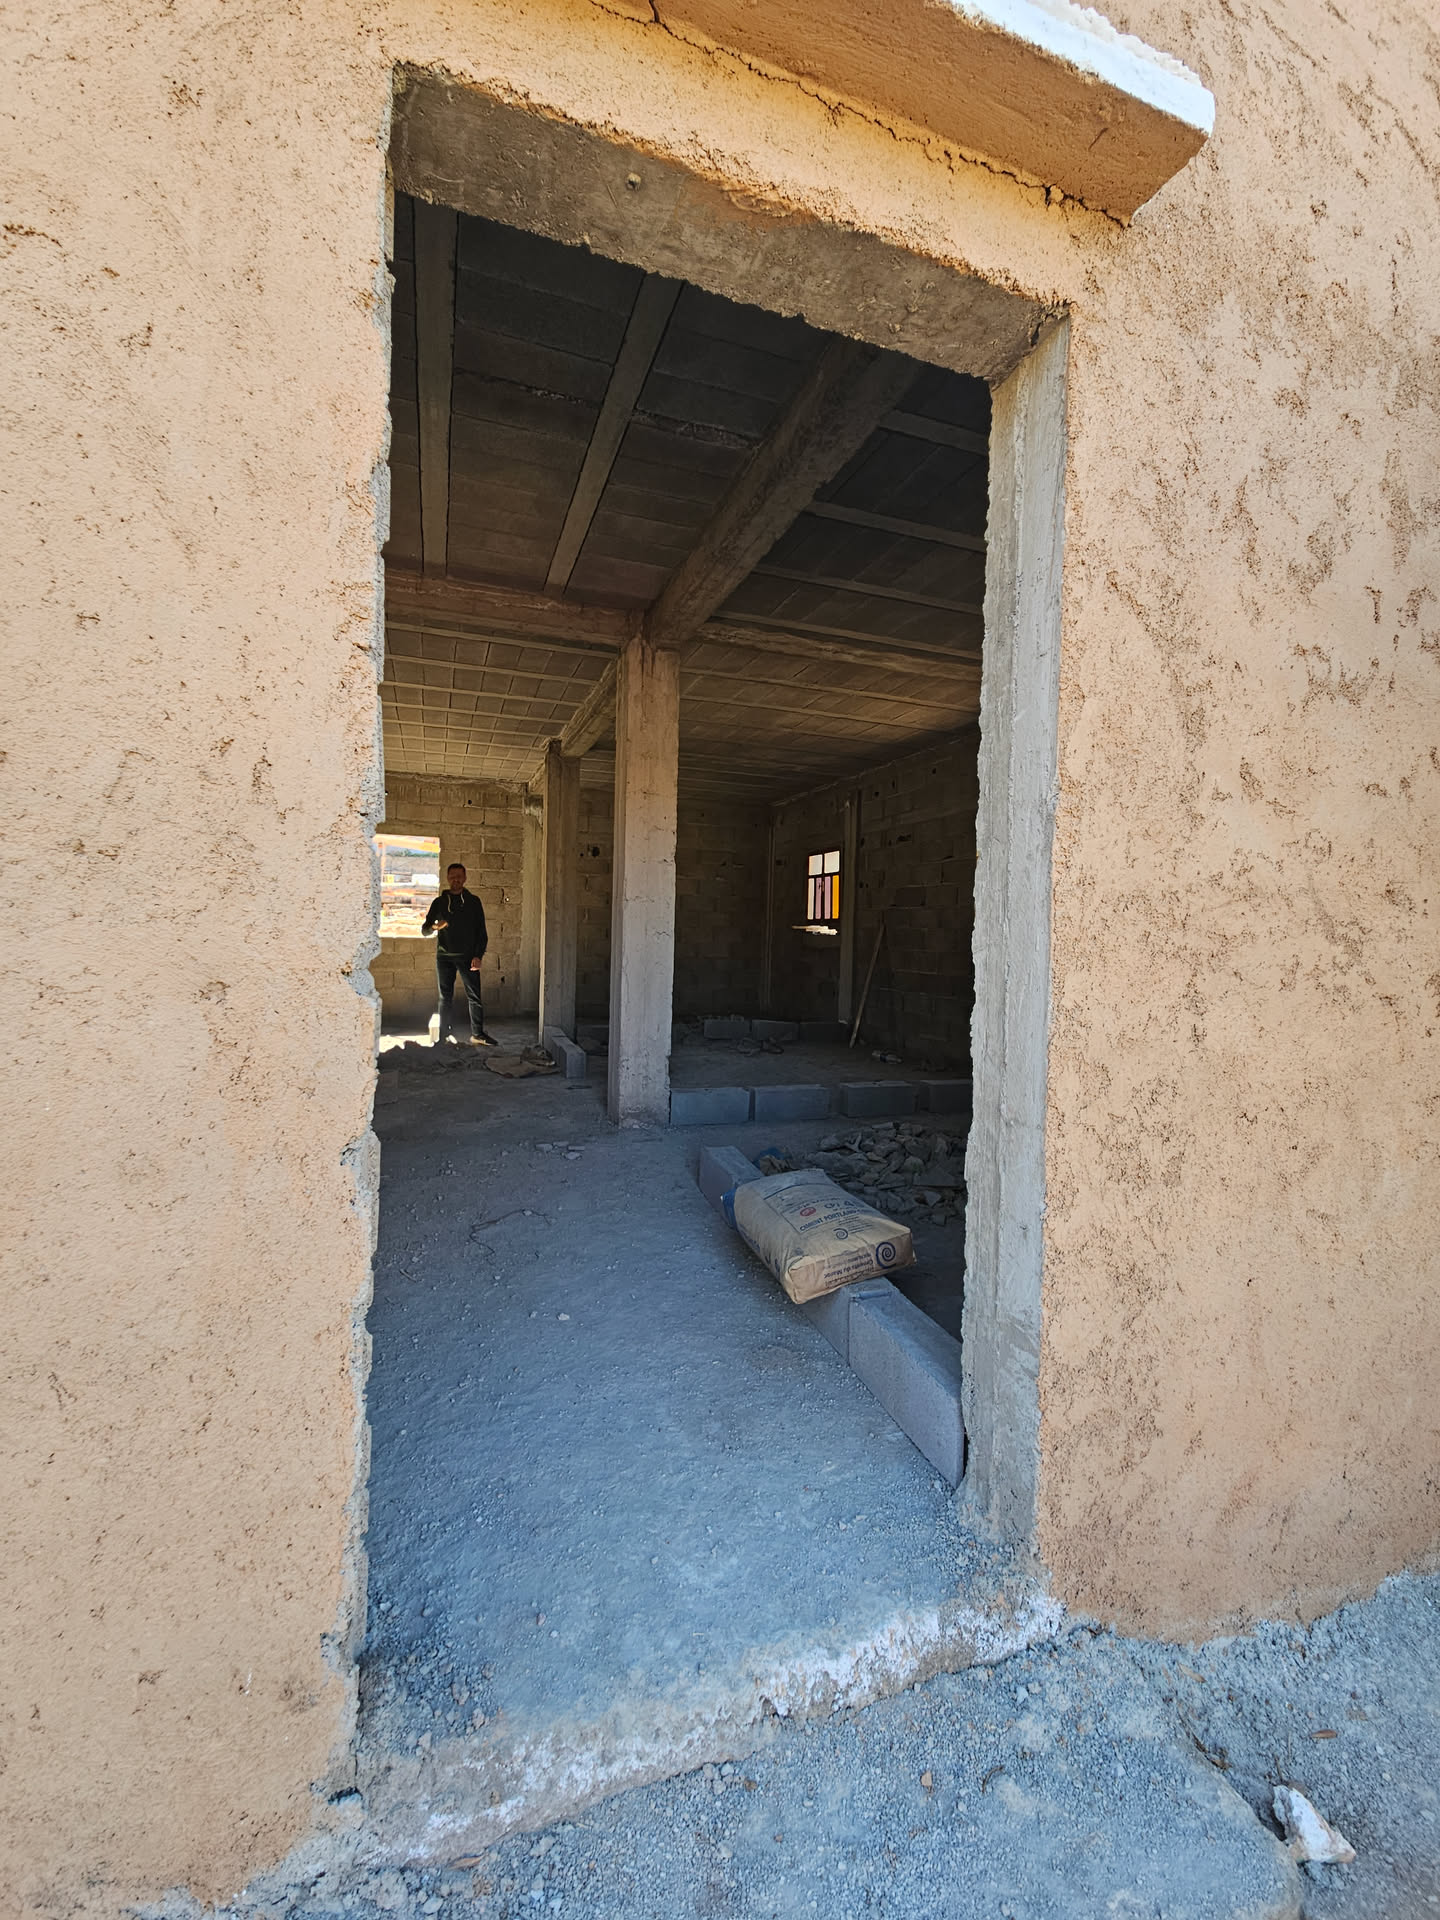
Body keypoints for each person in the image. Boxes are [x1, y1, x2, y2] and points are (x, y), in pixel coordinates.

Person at [421, 863, 496, 1046]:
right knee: (444, 998)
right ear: (447, 878)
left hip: (468, 957)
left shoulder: (473, 902)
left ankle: (477, 1034)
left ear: (465, 878)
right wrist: (435, 926)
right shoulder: (439, 903)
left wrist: (478, 956)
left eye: (459, 876)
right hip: (444, 958)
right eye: (452, 876)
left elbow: (481, 932)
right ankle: (443, 1036)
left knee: (474, 997)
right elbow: (424, 930)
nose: (456, 879)